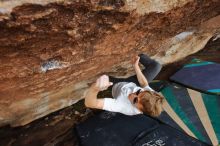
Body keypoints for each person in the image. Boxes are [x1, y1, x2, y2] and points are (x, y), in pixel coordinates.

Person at [85, 54, 164, 117]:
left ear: (140, 110)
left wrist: (95, 89)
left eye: (135, 100)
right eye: (138, 92)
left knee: (100, 77)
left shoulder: (124, 107)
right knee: (156, 67)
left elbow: (91, 103)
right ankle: (136, 52)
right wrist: (136, 66)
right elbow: (144, 84)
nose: (132, 95)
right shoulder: (151, 96)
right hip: (133, 82)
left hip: (116, 85)